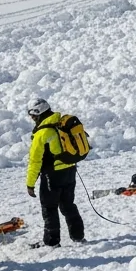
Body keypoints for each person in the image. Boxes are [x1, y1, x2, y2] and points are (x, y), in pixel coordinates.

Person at [26, 99, 85, 247]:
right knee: (68, 205)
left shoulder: (42, 133)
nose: (32, 119)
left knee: (49, 207)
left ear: (39, 114)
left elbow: (35, 161)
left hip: (52, 176)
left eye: (33, 116)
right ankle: (78, 236)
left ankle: (52, 242)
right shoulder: (60, 123)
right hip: (70, 171)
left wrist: (30, 184)